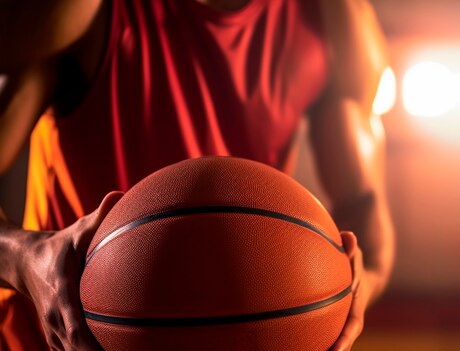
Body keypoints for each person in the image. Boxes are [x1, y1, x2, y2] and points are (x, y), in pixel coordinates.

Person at [0, 0, 395, 349]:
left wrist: (349, 288)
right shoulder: (79, 11)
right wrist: (26, 258)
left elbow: (364, 211)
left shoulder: (333, 20)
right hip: (53, 340)